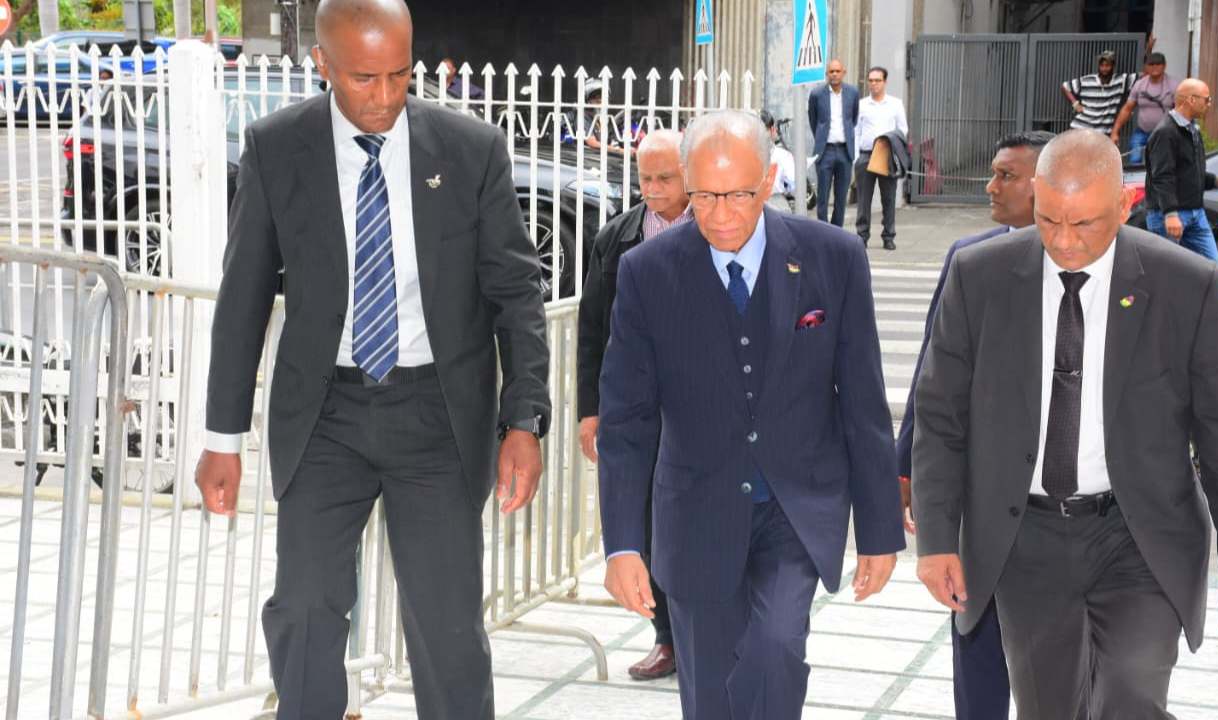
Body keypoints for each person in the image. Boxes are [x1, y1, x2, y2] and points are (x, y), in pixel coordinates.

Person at [194, 0, 552, 717]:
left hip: (438, 415)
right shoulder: (276, 148)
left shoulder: (471, 149)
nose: (385, 97)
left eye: (399, 74)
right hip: (325, 414)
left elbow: (515, 293)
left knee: (447, 629)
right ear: (322, 64)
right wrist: (221, 438)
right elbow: (243, 298)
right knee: (304, 609)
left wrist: (524, 421)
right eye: (363, 78)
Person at [912, 129, 1218, 719]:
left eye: (1084, 223)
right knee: (1049, 708)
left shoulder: (1186, 286)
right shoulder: (979, 277)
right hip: (1025, 538)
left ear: (1125, 204)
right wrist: (935, 540)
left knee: (1131, 694)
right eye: (1049, 219)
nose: (1064, 241)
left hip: (1139, 534)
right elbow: (939, 415)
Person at [597, 110, 903, 720]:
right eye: (704, 196)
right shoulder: (647, 271)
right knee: (710, 692)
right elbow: (626, 420)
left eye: (737, 194)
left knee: (775, 648)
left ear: (768, 180)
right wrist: (623, 544)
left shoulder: (834, 257)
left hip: (797, 509)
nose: (720, 214)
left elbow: (863, 404)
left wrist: (879, 531)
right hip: (695, 512)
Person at [896, 129, 1053, 720]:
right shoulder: (970, 260)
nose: (990, 186)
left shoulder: (1108, 266)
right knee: (977, 638)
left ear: (1046, 185)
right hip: (984, 498)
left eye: (1006, 176)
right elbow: (932, 376)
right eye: (992, 172)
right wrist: (906, 467)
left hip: (1066, 503)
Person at [577, 129, 690, 682]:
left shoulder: (718, 229)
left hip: (699, 406)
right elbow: (591, 329)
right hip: (638, 409)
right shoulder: (616, 238)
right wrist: (589, 410)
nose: (654, 188)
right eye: (645, 178)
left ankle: (707, 633)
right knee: (645, 523)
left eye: (666, 177)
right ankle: (666, 636)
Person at [1143, 78, 1218, 262]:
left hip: (1196, 214)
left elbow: (1190, 172)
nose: (1209, 104)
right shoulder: (1165, 132)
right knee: (1167, 273)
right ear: (1191, 100)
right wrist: (1170, 214)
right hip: (1169, 216)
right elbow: (1162, 176)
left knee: (1212, 270)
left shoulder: (1192, 129)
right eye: (1207, 99)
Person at [851, 66, 908, 251]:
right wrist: (857, 157)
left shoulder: (895, 104)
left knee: (888, 198)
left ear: (885, 82)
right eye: (871, 80)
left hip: (886, 155)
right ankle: (862, 236)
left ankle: (888, 236)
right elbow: (855, 131)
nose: (874, 84)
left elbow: (903, 129)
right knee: (863, 199)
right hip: (866, 155)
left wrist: (889, 141)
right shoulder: (862, 104)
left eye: (878, 80)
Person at [807, 59, 858, 227]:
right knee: (823, 196)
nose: (834, 74)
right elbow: (814, 121)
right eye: (831, 71)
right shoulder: (817, 94)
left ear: (844, 72)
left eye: (837, 71)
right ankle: (823, 232)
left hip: (845, 151)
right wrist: (821, 138)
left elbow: (853, 119)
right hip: (825, 151)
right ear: (826, 74)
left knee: (841, 196)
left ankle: (837, 231)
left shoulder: (852, 93)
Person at [1109, 53, 1178, 165]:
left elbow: (1181, 111)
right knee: (1134, 161)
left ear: (1164, 66)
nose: (1154, 67)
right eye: (1151, 64)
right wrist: (1115, 132)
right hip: (1142, 131)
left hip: (1165, 133)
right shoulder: (1139, 85)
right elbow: (1127, 109)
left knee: (1161, 164)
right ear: (1146, 67)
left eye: (1158, 64)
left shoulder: (1174, 85)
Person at [1061, 50, 1136, 133]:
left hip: (1102, 132)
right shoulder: (1087, 80)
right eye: (1102, 65)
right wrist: (1075, 104)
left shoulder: (1120, 80)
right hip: (1081, 127)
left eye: (1107, 65)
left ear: (1113, 66)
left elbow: (1142, 75)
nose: (1104, 69)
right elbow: (1065, 86)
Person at [760, 110, 796, 211]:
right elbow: (792, 187)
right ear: (772, 130)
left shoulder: (743, 154)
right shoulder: (783, 156)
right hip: (775, 204)